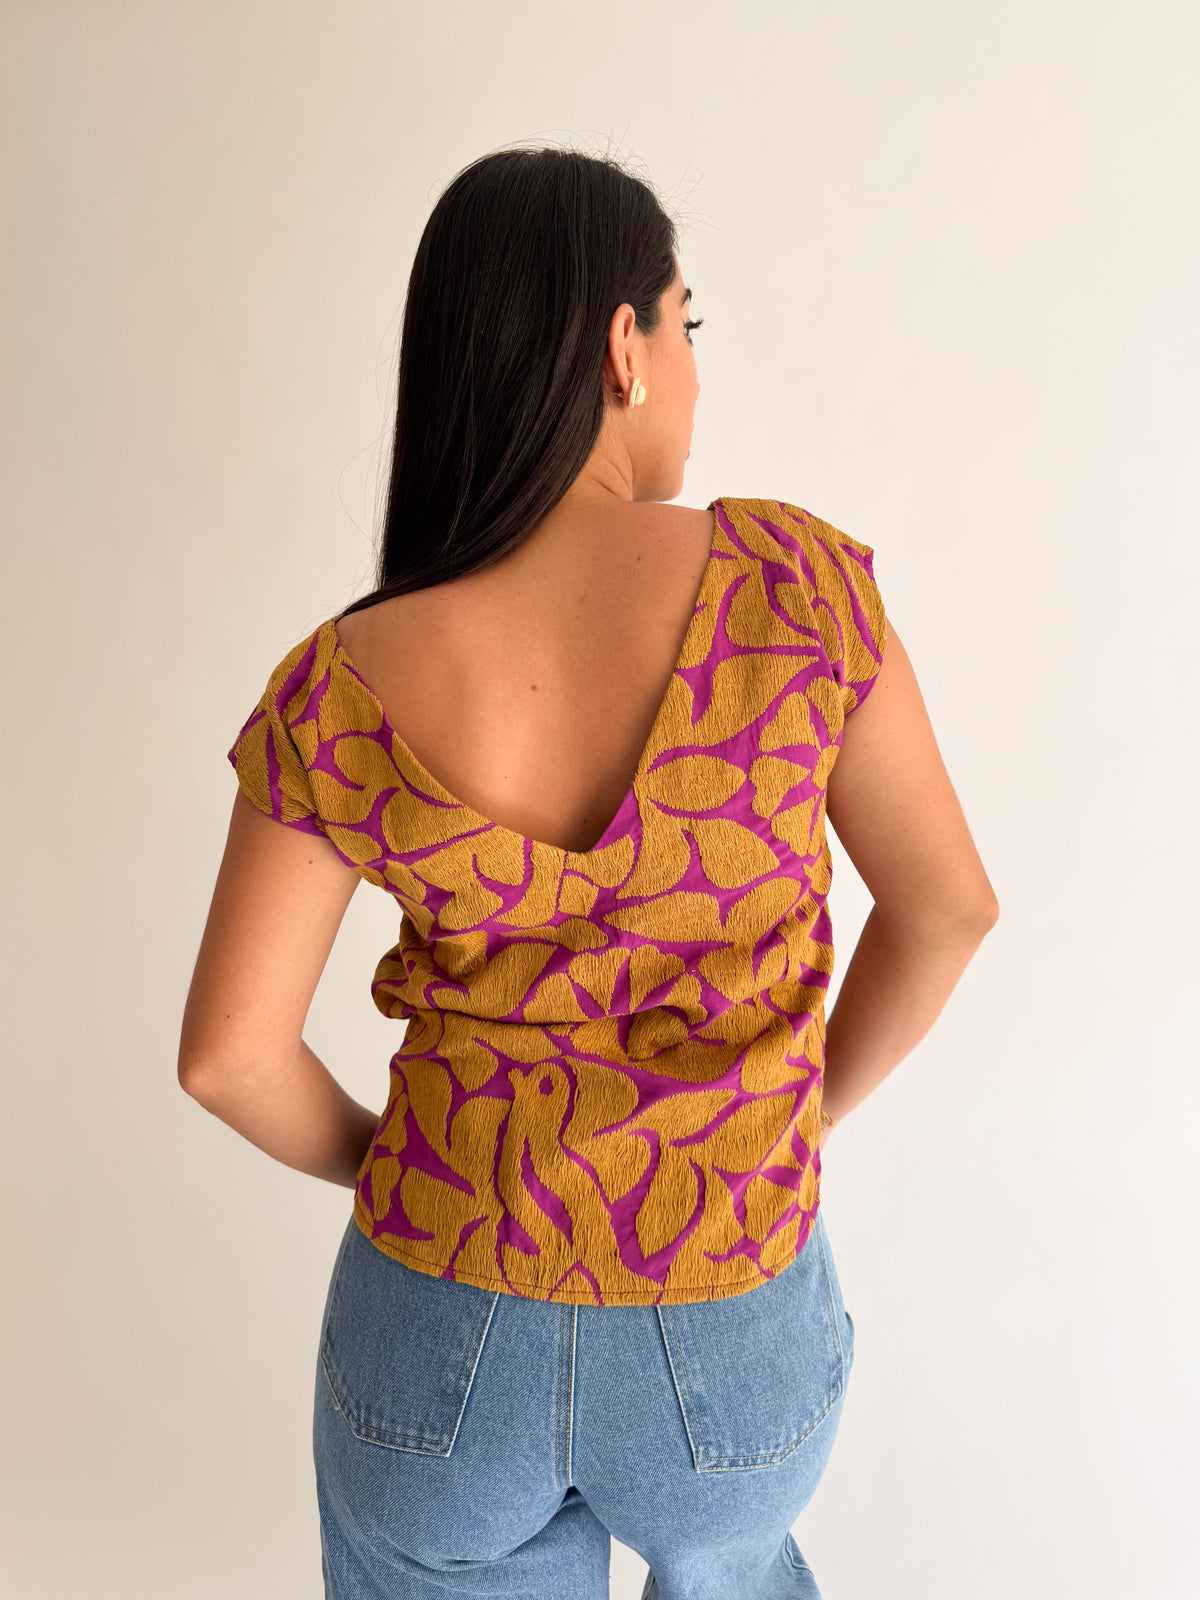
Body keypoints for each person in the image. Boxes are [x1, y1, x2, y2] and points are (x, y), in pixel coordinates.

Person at [179, 143, 999, 1600]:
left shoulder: (341, 679)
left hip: (442, 1334)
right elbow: (946, 910)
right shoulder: (794, 588)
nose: (692, 369)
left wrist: (406, 1166)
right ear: (626, 346)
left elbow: (229, 1058)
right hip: (726, 1328)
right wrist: (792, 1114)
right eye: (689, 324)